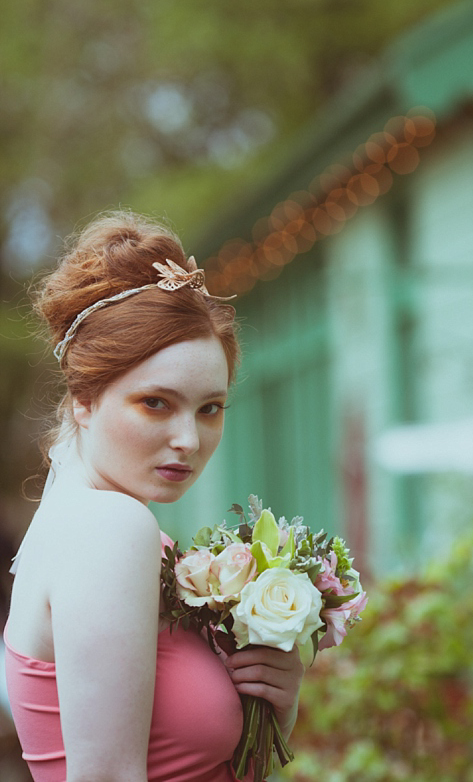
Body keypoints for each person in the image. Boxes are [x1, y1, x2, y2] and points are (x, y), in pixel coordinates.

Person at [3, 211, 304, 782]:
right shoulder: (108, 529)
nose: (189, 440)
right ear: (83, 399)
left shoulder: (91, 523)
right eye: (156, 403)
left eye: (209, 408)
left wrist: (273, 708)